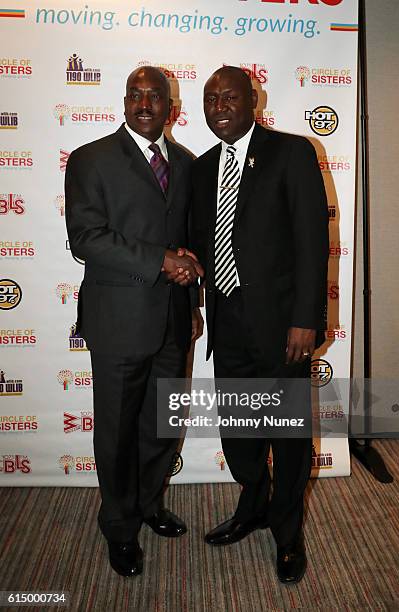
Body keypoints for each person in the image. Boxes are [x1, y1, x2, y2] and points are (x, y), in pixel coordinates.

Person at [191, 66, 328, 584]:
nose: (219, 105)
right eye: (210, 99)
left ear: (254, 100)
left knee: (289, 437)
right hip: (228, 325)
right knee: (241, 432)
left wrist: (305, 321)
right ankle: (253, 505)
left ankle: (288, 534)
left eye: (229, 96)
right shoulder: (203, 169)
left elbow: (313, 244)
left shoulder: (292, 153)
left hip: (282, 329)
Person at [65, 66, 203, 577]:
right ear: (124, 101)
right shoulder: (90, 159)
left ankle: (147, 503)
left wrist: (191, 307)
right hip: (118, 320)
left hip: (172, 320)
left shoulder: (185, 164)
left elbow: (186, 239)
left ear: (171, 106)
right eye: (135, 95)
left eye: (155, 97)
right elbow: (86, 238)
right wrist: (162, 260)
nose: (145, 104)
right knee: (119, 432)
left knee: (163, 425)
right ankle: (120, 527)